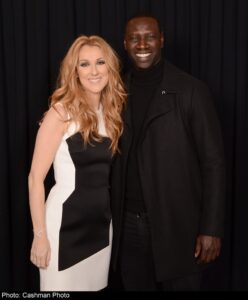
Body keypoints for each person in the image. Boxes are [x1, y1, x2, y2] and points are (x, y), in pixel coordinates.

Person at [110, 13, 226, 291]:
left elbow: (214, 163)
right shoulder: (114, 92)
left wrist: (211, 229)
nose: (142, 44)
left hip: (179, 226)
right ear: (125, 44)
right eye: (134, 38)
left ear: (161, 40)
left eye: (149, 36)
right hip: (127, 227)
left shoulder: (191, 90)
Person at [28, 35, 126, 291]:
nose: (94, 71)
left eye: (100, 62)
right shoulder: (60, 113)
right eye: (84, 64)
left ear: (110, 68)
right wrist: (40, 237)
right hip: (63, 229)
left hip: (101, 226)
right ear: (74, 71)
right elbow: (35, 179)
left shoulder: (112, 113)